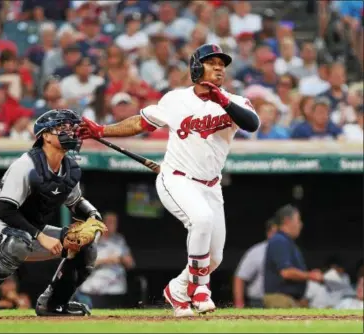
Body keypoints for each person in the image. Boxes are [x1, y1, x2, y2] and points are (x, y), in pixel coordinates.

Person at [79, 44, 260, 317]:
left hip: (211, 185)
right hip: (176, 179)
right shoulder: (175, 100)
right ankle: (200, 290)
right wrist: (102, 130)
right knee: (200, 220)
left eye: (222, 64)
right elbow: (140, 123)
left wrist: (222, 101)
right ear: (197, 68)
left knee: (215, 258)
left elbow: (252, 124)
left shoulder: (234, 102)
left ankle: (177, 289)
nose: (219, 67)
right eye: (212, 63)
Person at [0, 109, 103, 317]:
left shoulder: (69, 168)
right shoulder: (26, 165)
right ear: (45, 135)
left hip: (26, 231)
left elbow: (75, 202)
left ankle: (54, 303)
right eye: (62, 128)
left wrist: (93, 215)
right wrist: (41, 236)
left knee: (86, 246)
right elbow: (7, 211)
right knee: (18, 241)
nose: (70, 133)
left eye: (71, 128)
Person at [264, 205, 324, 308]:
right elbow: (286, 272)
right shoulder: (279, 240)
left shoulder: (288, 242)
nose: (301, 225)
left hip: (290, 299)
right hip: (280, 300)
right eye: (298, 220)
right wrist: (311, 276)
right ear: (287, 221)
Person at [79, 212, 135, 309]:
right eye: (109, 222)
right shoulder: (91, 239)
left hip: (116, 289)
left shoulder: (119, 240)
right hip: (95, 289)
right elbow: (82, 264)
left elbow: (131, 264)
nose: (112, 225)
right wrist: (106, 261)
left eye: (114, 222)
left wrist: (122, 259)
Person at [233, 219, 278, 308]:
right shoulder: (257, 252)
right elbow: (240, 278)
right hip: (259, 302)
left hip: (285, 300)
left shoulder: (291, 251)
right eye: (275, 233)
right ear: (268, 233)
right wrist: (239, 305)